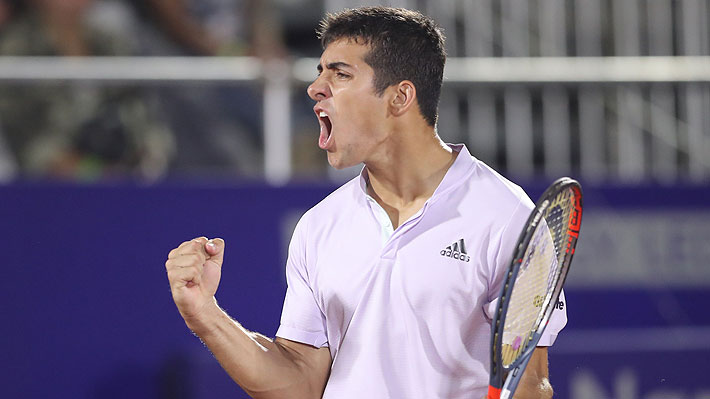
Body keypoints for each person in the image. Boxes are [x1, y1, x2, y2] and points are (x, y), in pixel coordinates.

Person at [165, 6, 566, 398]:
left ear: (399, 97)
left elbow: (531, 383)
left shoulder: (506, 215)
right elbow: (300, 382)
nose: (315, 87)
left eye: (339, 74)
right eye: (319, 72)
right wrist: (206, 316)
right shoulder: (319, 225)